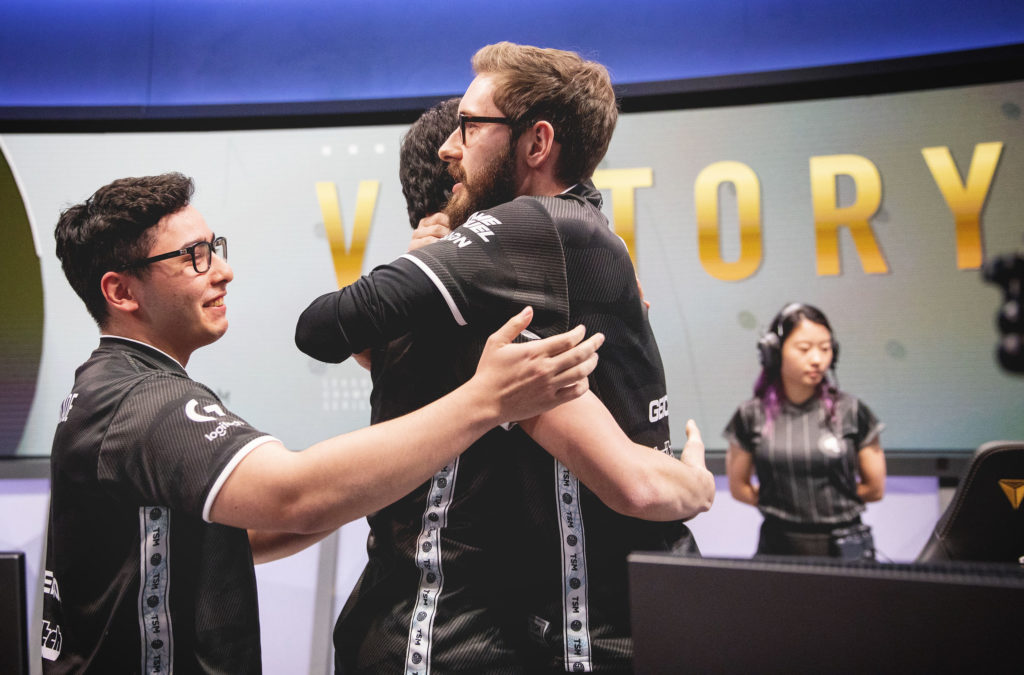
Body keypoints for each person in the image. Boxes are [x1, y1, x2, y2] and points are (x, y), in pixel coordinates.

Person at [41, 173, 603, 674]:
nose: (224, 272)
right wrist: (486, 400)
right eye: (194, 257)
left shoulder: (115, 388)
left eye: (215, 248)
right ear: (120, 291)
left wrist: (386, 482)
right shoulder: (141, 402)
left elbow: (245, 531)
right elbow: (294, 495)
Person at [296, 43, 715, 674]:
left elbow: (326, 328)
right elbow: (639, 480)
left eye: (470, 127)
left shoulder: (540, 235)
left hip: (523, 636)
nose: (453, 147)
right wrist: (693, 483)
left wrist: (686, 484)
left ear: (536, 142)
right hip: (492, 631)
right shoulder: (576, 244)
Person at [724, 302, 886, 559]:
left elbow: (875, 489)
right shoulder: (750, 415)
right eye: (804, 349)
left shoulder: (852, 411)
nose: (817, 359)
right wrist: (784, 509)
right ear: (774, 352)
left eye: (825, 348)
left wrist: (833, 505)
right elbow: (739, 487)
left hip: (846, 550)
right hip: (778, 549)